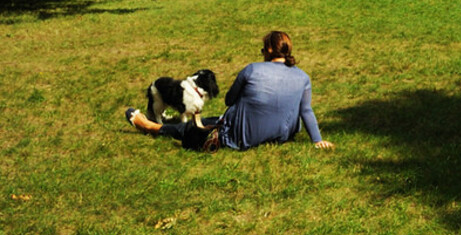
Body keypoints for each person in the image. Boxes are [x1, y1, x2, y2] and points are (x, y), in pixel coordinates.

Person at [125, 30, 334, 152]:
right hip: (280, 135)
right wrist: (317, 140)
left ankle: (150, 126)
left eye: (263, 50)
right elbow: (306, 111)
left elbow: (229, 100)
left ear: (269, 51)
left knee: (193, 130)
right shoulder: (303, 77)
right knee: (210, 120)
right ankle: (156, 124)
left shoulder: (252, 70)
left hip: (242, 136)